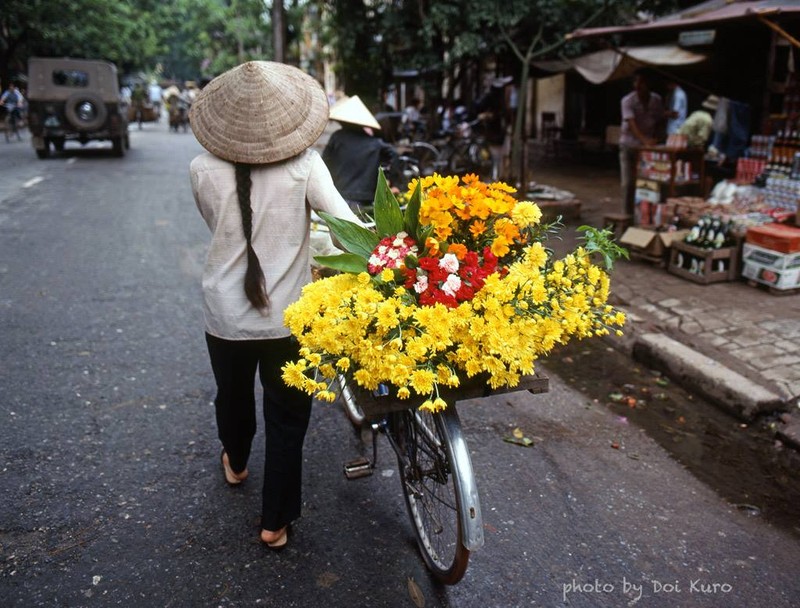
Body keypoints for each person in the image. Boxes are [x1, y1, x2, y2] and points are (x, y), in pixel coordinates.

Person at [188, 61, 364, 550]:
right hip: (291, 318)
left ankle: (237, 462)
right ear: (284, 119)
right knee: (288, 420)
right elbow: (345, 226)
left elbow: (215, 225)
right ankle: (275, 521)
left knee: (233, 396)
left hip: (224, 314)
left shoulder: (201, 167)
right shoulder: (306, 163)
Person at [322, 95, 398, 210]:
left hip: (339, 194)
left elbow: (325, 162)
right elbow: (394, 154)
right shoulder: (376, 143)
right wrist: (393, 181)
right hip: (365, 198)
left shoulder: (337, 137)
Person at [618, 69, 665, 215]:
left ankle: (646, 216)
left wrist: (657, 139)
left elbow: (659, 119)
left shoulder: (656, 100)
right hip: (629, 146)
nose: (639, 85)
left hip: (647, 149)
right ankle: (627, 215)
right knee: (628, 183)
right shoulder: (628, 101)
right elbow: (632, 124)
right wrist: (645, 140)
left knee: (648, 182)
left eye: (642, 82)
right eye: (636, 82)